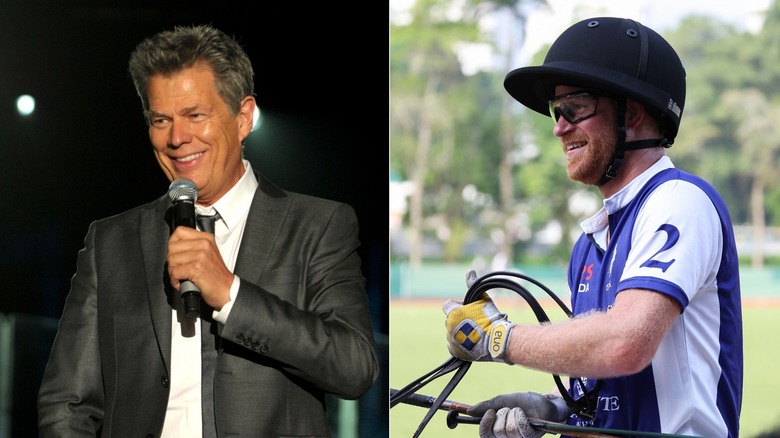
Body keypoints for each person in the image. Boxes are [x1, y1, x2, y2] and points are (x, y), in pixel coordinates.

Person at [37, 24, 378, 437]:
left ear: (243, 117)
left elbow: (354, 367)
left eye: (195, 115)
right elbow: (67, 403)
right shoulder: (111, 242)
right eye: (161, 119)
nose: (177, 137)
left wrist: (232, 295)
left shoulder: (318, 226)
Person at [442, 17, 742, 437]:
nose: (559, 127)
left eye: (575, 109)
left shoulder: (678, 200)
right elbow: (604, 395)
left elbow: (624, 345)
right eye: (556, 111)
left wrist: (499, 339)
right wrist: (554, 412)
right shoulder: (590, 241)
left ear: (632, 113)